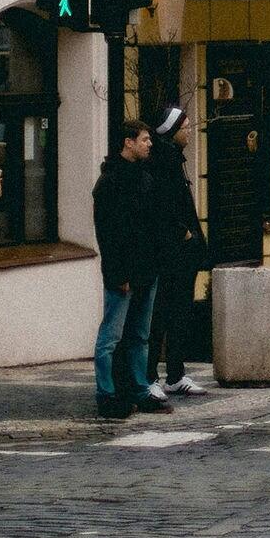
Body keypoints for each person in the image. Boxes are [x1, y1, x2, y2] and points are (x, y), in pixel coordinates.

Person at [93, 120, 165, 420]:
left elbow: (152, 223)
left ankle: (139, 388)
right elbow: (107, 233)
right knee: (111, 336)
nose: (149, 144)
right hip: (123, 271)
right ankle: (106, 393)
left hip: (147, 268)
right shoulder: (110, 182)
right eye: (145, 139)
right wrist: (116, 273)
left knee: (139, 335)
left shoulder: (145, 176)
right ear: (128, 142)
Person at [146, 103, 208, 400]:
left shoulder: (173, 158)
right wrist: (182, 231)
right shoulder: (164, 161)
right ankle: (153, 375)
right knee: (162, 314)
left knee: (178, 313)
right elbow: (163, 206)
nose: (189, 133)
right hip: (170, 251)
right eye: (185, 129)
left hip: (180, 250)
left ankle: (175, 374)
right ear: (172, 132)